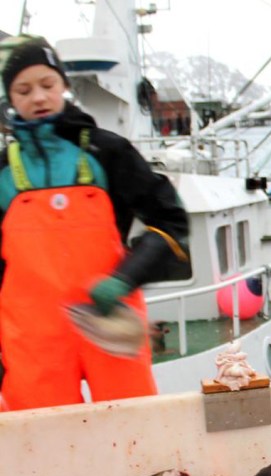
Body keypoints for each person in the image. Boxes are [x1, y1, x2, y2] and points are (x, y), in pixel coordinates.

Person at [0, 35, 189, 411]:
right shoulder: (4, 172)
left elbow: (170, 221)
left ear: (64, 86)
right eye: (24, 89)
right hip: (31, 340)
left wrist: (125, 278)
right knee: (41, 446)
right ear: (11, 98)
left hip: (110, 324)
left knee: (134, 433)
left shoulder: (107, 151)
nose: (38, 97)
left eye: (47, 84)